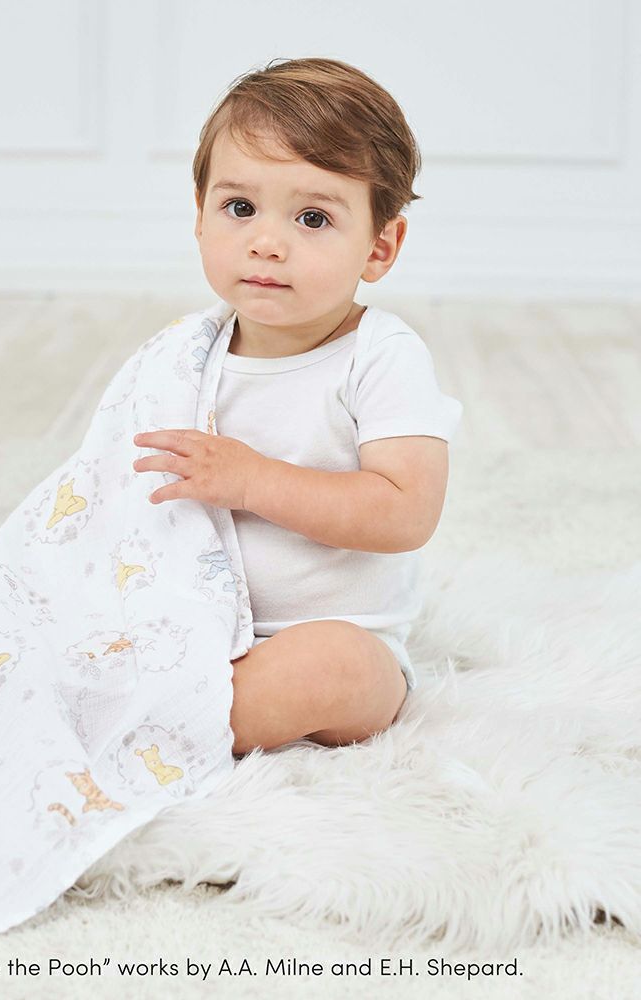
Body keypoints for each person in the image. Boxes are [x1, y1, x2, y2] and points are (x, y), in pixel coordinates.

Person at [136, 58, 463, 755]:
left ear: (380, 245)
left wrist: (255, 481)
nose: (266, 242)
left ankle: (162, 736)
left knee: (335, 669)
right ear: (200, 216)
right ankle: (146, 699)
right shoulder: (182, 355)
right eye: (239, 208)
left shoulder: (380, 356)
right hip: (191, 625)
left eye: (312, 217)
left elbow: (407, 512)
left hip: (328, 635)